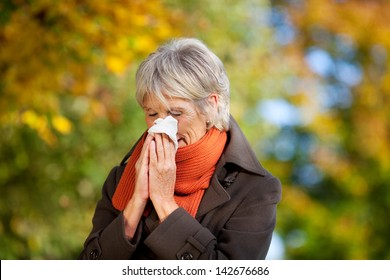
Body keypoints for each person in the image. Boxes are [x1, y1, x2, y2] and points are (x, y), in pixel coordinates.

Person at [78, 38, 282, 260]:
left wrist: (165, 203)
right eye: (152, 114)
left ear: (211, 105)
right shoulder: (122, 179)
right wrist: (136, 202)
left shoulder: (255, 190)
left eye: (176, 113)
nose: (164, 127)